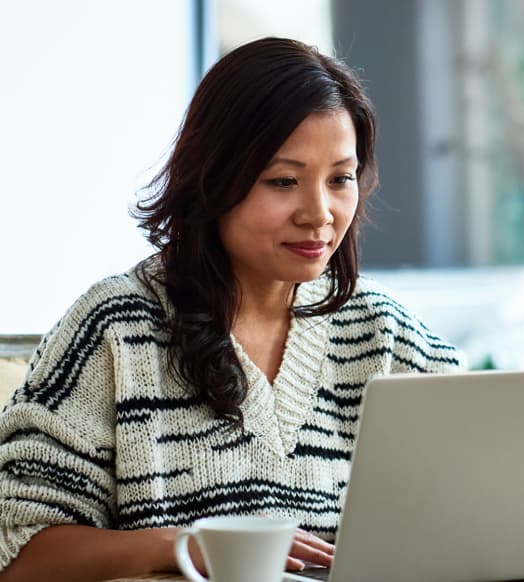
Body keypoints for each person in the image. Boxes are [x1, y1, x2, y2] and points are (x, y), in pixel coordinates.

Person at [0, 37, 463, 581]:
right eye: (283, 181)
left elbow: (482, 503)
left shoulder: (384, 332)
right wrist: (182, 547)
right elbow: (21, 553)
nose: (319, 214)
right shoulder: (113, 328)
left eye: (340, 179)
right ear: (214, 177)